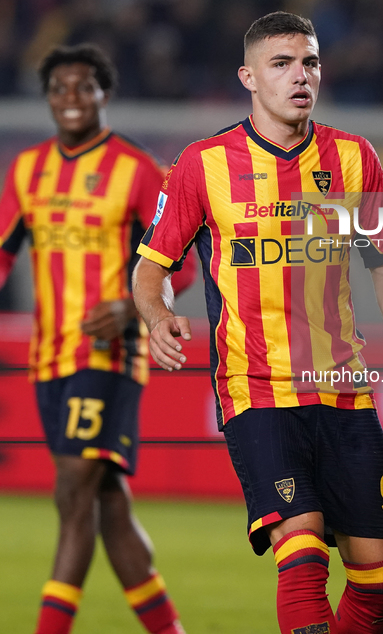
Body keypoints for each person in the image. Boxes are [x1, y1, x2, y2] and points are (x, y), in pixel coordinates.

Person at [132, 12, 383, 634]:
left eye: (309, 61)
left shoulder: (355, 159)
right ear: (248, 77)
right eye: (281, 64)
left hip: (344, 390)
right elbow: (149, 268)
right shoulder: (203, 165)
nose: (299, 75)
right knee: (302, 546)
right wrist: (157, 314)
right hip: (257, 389)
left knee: (378, 575)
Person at [0, 44, 196, 634]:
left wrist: (132, 308)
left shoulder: (136, 170)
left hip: (109, 355)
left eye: (83, 87)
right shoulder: (27, 170)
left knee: (72, 490)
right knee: (107, 501)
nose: (70, 98)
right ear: (48, 97)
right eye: (59, 88)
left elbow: (181, 261)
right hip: (49, 356)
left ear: (103, 94)